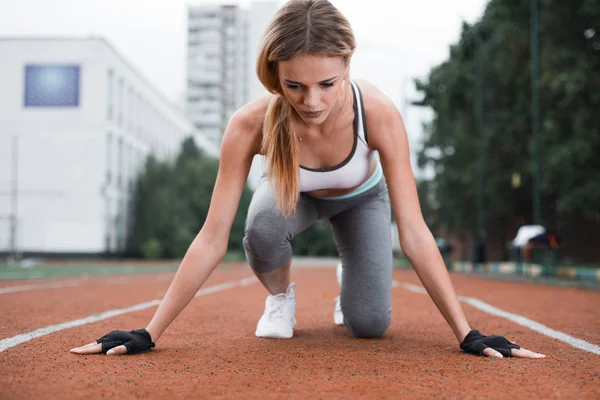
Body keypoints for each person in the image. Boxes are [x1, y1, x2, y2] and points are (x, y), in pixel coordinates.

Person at [71, 0, 545, 359]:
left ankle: (352, 275)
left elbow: (415, 232)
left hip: (361, 200)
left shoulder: (378, 114)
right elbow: (213, 238)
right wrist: (149, 333)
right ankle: (281, 298)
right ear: (275, 74)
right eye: (294, 85)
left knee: (369, 324)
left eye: (327, 84)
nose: (312, 101)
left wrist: (468, 334)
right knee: (260, 225)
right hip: (292, 194)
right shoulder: (248, 125)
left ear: (347, 66)